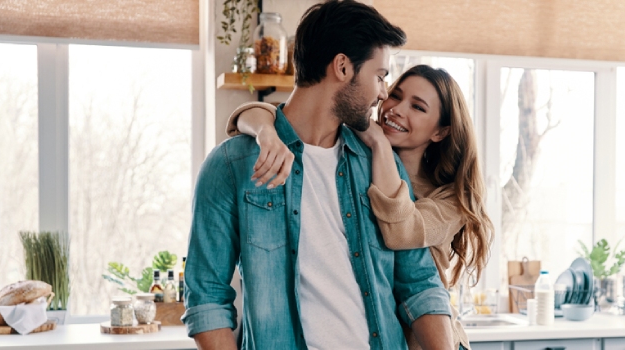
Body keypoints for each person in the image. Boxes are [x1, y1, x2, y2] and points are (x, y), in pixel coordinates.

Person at [182, 1, 454, 350]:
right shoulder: (231, 165)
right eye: (380, 75)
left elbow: (419, 282)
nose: (383, 93)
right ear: (342, 67)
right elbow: (206, 299)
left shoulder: (379, 163)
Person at [227, 65, 494, 350]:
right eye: (396, 95)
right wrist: (265, 130)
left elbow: (401, 233)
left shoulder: (452, 199)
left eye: (417, 107)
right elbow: (269, 114)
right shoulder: (355, 162)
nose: (397, 109)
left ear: (441, 132)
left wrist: (379, 143)